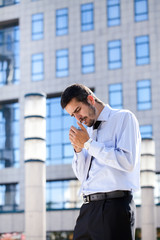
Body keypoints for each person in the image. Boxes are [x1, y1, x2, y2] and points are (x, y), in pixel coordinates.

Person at [61, 83, 141, 240]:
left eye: (77, 110)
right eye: (73, 115)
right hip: (87, 209)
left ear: (90, 99)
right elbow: (83, 176)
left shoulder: (123, 118)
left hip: (114, 208)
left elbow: (128, 162)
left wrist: (89, 144)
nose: (78, 118)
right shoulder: (87, 132)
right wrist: (78, 150)